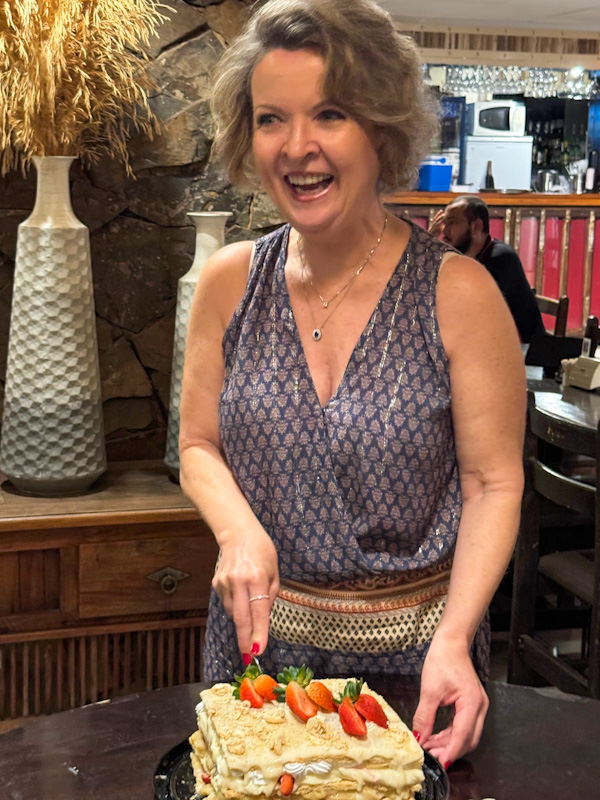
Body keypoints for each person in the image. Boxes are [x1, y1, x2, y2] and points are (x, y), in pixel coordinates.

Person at [179, 0, 525, 769]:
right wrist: (238, 532)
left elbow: (494, 483)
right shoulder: (228, 283)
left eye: (330, 114)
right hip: (260, 663)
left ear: (380, 127)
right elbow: (198, 445)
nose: (297, 147)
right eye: (271, 119)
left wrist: (457, 638)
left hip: (417, 671)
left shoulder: (460, 293)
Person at [430, 196, 545, 342]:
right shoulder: (465, 257)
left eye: (452, 222)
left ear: (476, 226)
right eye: (444, 223)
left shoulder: (500, 257)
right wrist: (429, 245)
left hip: (523, 350)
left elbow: (478, 314)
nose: (444, 230)